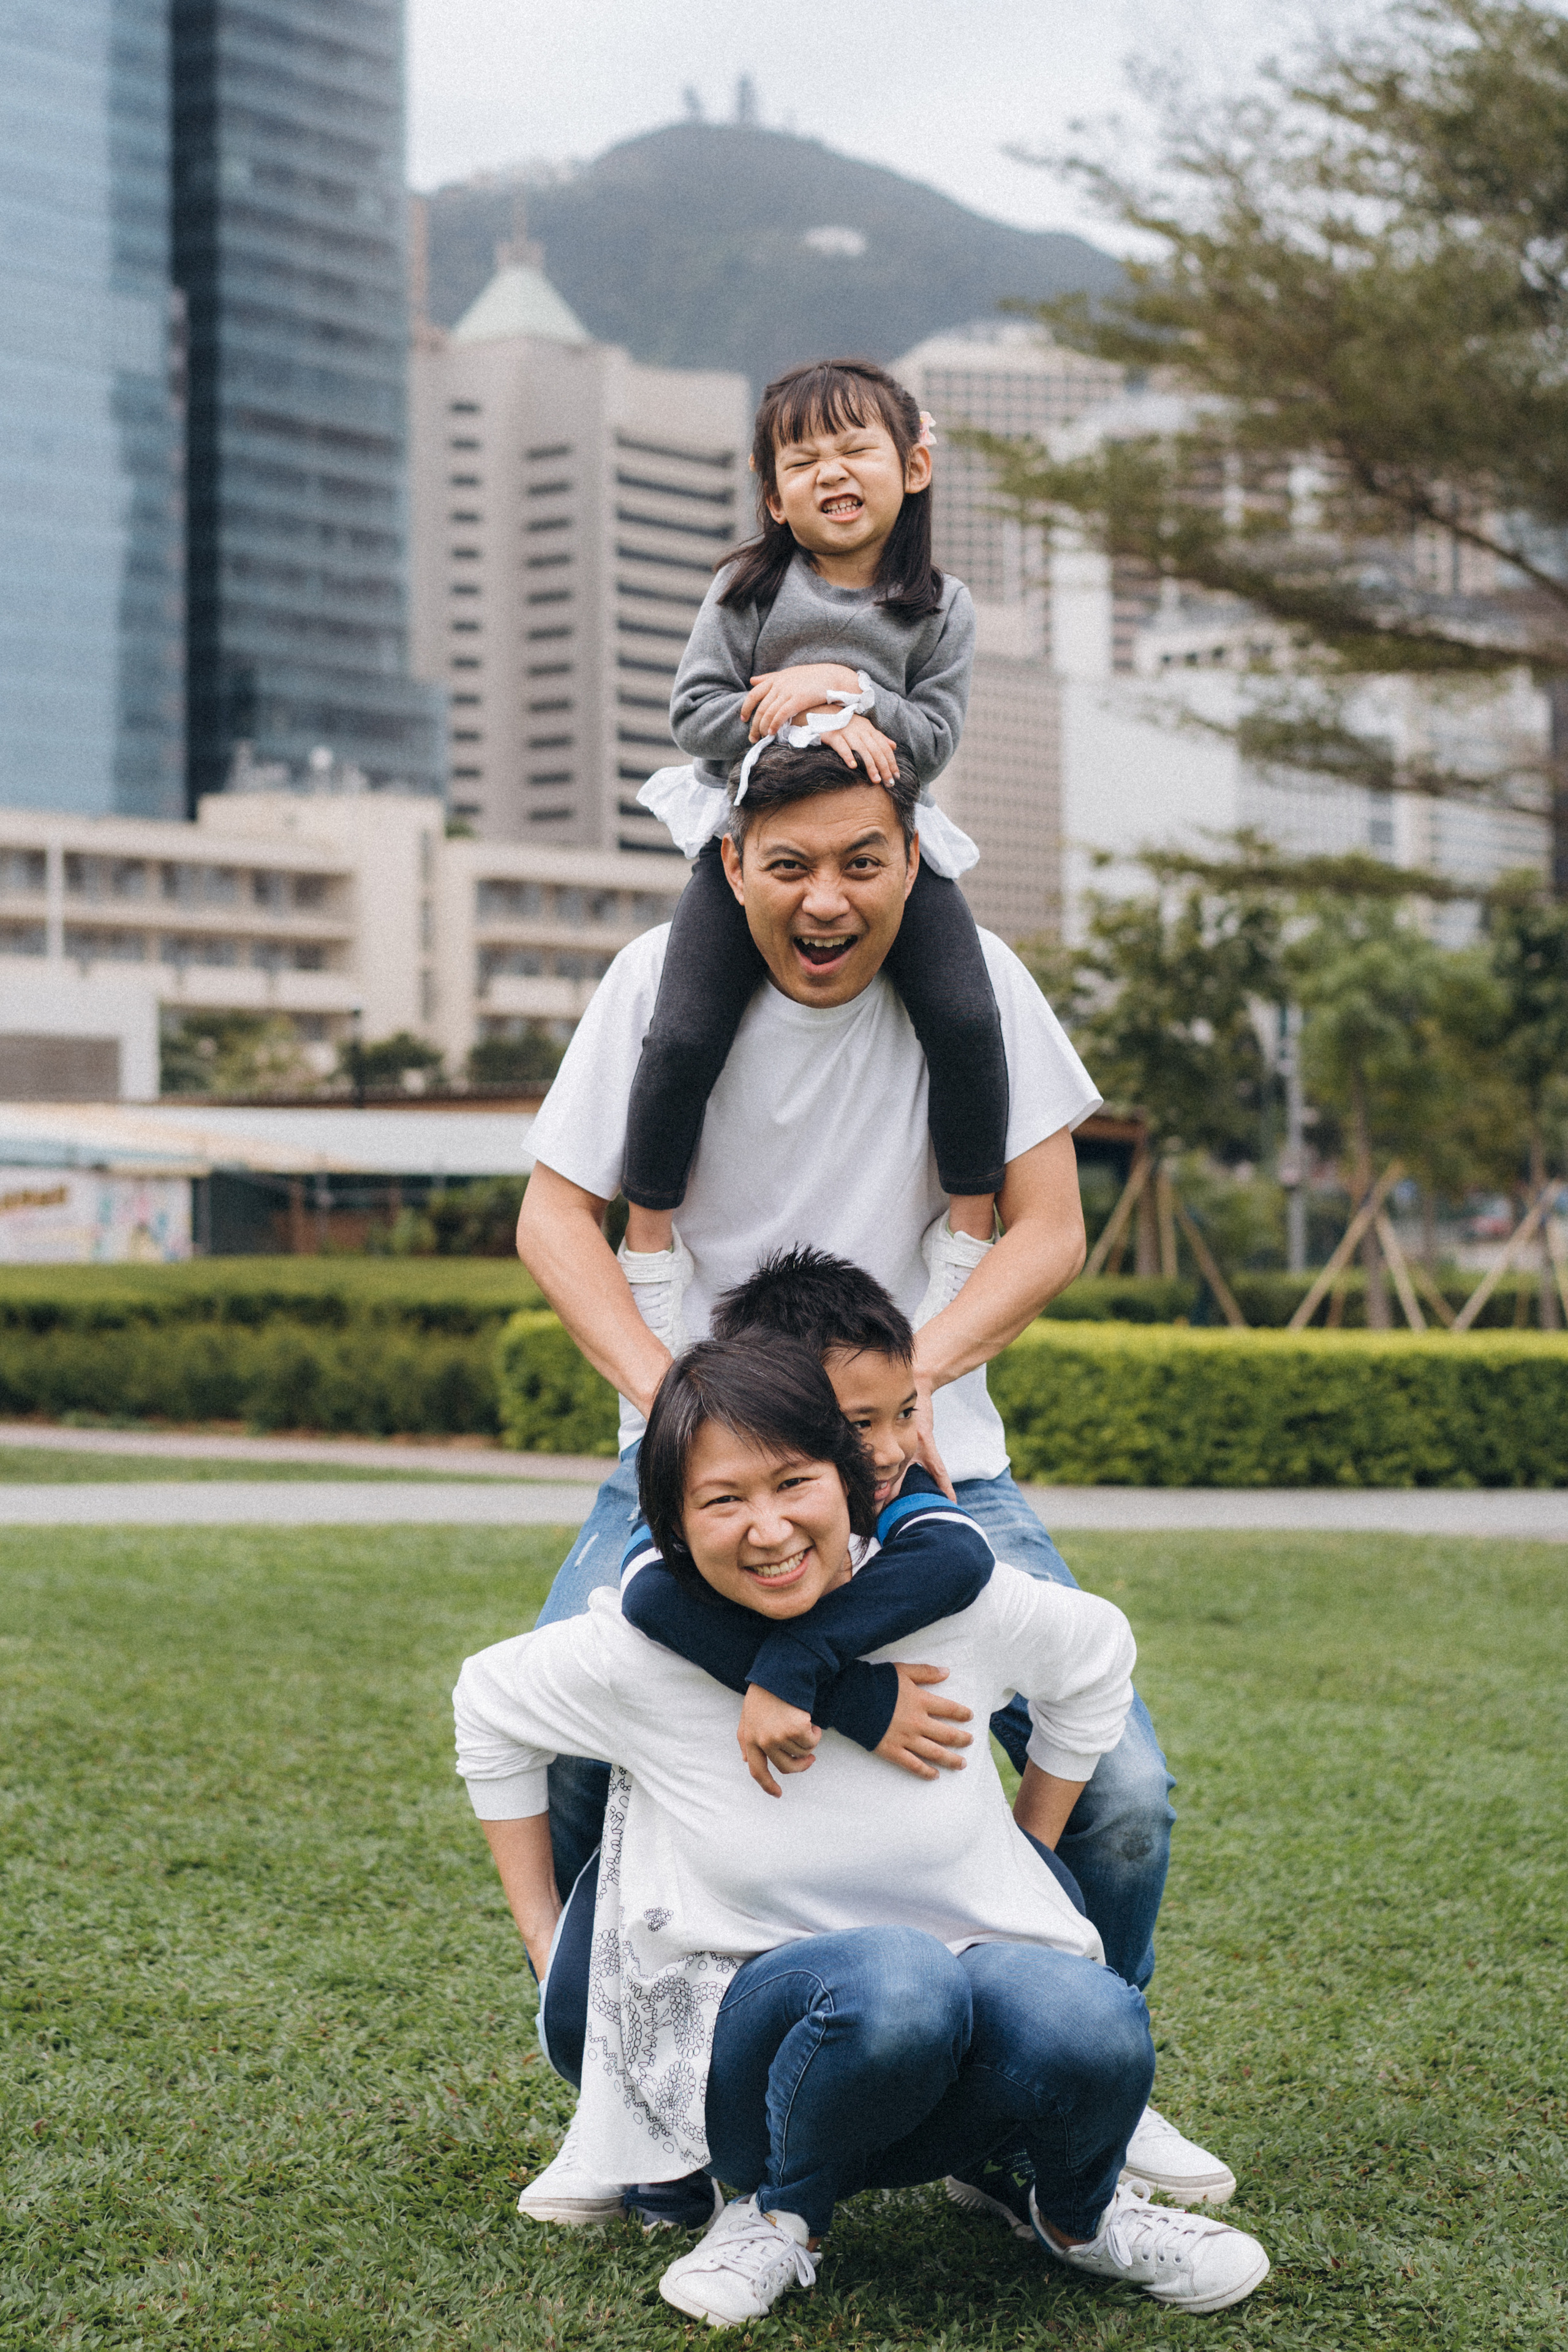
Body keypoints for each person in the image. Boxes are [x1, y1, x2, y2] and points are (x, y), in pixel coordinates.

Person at [514, 730, 1230, 2196]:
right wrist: (679, 1406)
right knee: (570, 1745)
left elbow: (1047, 1228)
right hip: (704, 1478)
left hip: (938, 1473)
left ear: (916, 860)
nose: (826, 898)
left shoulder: (982, 992)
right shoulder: (652, 985)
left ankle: (1065, 2068)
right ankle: (628, 2081)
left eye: (862, 861)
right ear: (732, 865)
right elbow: (549, 1219)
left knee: (1124, 1791)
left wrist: (906, 1395)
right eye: (789, 865)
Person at [454, 1338, 1272, 2326]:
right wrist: (546, 1941)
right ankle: (777, 2214)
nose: (768, 1530)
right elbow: (486, 1706)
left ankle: (1079, 2214)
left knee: (1091, 2017)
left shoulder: (955, 1603)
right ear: (670, 1525)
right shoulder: (641, 1651)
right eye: (723, 1501)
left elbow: (1099, 1654)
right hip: (749, 2053)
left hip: (950, 2026)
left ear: (854, 1480)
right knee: (897, 1980)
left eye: (794, 1483)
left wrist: (1032, 1852)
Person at [624, 356, 1006, 1264]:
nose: (830, 472)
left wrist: (845, 685)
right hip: (759, 849)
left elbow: (932, 743)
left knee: (966, 1019)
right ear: (773, 497)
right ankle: (646, 1249)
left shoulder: (943, 608)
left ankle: (968, 1236)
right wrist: (810, 713)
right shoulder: (746, 592)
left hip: (885, 853)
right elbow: (696, 720)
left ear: (914, 466)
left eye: (854, 450)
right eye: (801, 462)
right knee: (680, 1034)